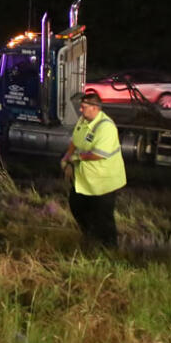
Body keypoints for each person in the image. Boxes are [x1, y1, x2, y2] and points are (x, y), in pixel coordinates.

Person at [60, 91, 126, 248]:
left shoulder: (106, 127)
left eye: (84, 107)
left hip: (103, 182)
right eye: (81, 107)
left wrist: (75, 158)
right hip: (85, 180)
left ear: (95, 108)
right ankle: (91, 237)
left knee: (104, 217)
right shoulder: (83, 121)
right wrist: (66, 157)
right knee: (76, 206)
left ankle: (110, 249)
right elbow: (75, 141)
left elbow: (98, 154)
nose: (81, 110)